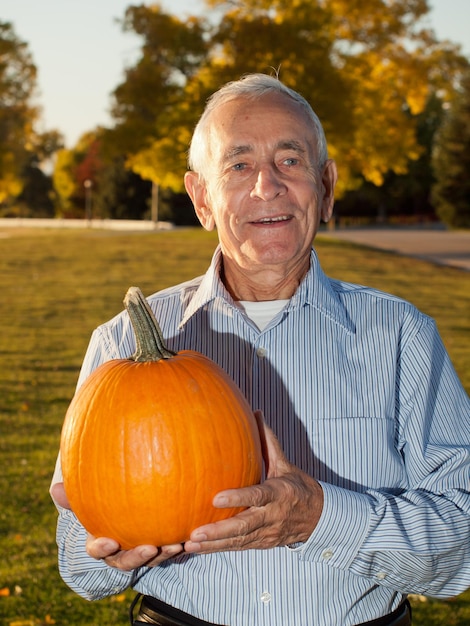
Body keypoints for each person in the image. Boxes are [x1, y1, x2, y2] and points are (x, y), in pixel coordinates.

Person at [51, 73, 470, 626]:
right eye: (238, 165)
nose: (267, 186)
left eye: (290, 161)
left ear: (326, 186)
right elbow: (81, 571)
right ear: (201, 199)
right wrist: (112, 549)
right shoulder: (124, 342)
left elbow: (461, 543)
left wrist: (319, 518)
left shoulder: (400, 336)